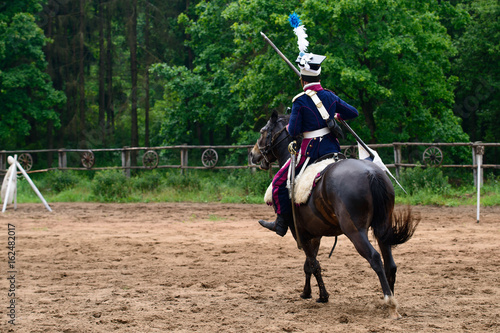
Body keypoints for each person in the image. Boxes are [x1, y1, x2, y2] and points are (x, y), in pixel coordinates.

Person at [258, 52, 359, 236]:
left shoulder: (300, 100)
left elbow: (294, 131)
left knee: (279, 182)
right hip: (332, 150)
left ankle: (281, 224)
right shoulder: (330, 96)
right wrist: (337, 115)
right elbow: (353, 112)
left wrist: (290, 125)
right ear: (319, 76)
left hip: (310, 153)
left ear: (303, 80)